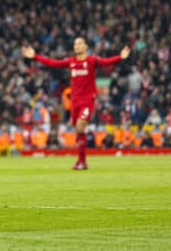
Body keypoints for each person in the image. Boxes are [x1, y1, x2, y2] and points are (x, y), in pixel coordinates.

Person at [22, 38, 131, 170]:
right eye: (75, 44)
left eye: (80, 43)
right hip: (75, 102)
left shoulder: (92, 60)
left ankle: (81, 160)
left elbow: (106, 62)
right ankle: (82, 162)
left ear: (85, 47)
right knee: (79, 131)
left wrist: (120, 57)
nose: (77, 46)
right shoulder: (71, 62)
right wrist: (35, 56)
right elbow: (52, 63)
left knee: (80, 127)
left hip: (88, 100)